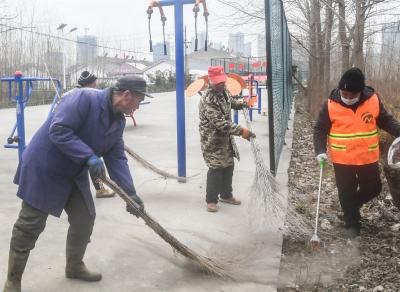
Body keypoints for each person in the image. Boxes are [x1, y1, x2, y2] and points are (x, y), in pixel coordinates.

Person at [3, 76, 151, 292]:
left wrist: (130, 193)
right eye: (138, 101)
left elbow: (117, 157)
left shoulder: (118, 120)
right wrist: (88, 156)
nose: (138, 107)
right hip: (46, 167)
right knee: (29, 225)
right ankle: (13, 280)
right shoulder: (83, 98)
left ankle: (74, 266)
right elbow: (59, 130)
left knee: (84, 217)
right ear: (126, 95)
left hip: (74, 171)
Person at [313, 67, 400, 238]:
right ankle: (352, 225)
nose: (347, 98)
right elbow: (319, 129)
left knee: (374, 188)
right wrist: (320, 150)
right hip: (342, 159)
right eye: (344, 94)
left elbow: (385, 120)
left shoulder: (373, 100)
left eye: (351, 95)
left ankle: (352, 205)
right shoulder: (330, 104)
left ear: (360, 92)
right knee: (346, 191)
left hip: (367, 157)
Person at [199, 66, 256, 213]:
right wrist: (241, 131)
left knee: (228, 165)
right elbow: (219, 123)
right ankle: (211, 200)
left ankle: (226, 194)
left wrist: (241, 103)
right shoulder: (208, 98)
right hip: (212, 139)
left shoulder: (223, 91)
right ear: (211, 81)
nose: (221, 84)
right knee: (216, 167)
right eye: (218, 82)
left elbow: (230, 102)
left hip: (225, 138)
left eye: (222, 82)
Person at [77, 70, 115, 199]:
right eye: (94, 83)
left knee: (94, 162)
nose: (96, 85)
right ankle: (100, 189)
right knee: (95, 163)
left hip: (80, 137)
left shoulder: (73, 94)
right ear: (91, 83)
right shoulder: (87, 96)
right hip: (79, 139)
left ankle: (99, 188)